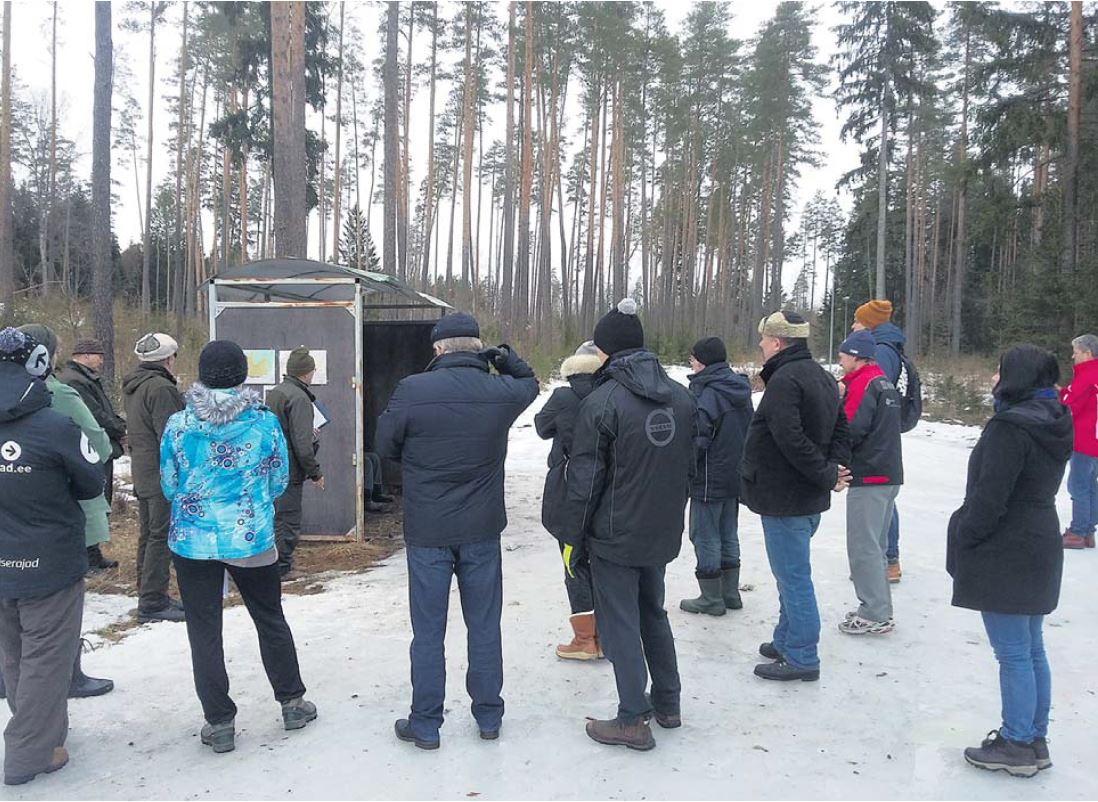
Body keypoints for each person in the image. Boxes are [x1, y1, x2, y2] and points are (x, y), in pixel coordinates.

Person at [376, 313, 538, 750]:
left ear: (437, 350)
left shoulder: (412, 390)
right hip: (482, 529)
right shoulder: (501, 391)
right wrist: (502, 358)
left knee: (428, 631)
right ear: (478, 348)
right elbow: (530, 382)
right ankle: (488, 717)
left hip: (428, 530)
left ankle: (425, 724)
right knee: (484, 625)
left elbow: (385, 445)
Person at [160, 340, 316, 754]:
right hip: (251, 536)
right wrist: (251, 501)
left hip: (192, 541)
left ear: (201, 374)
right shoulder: (263, 423)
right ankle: (293, 703)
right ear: (243, 375)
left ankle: (219, 722)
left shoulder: (178, 425)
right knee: (269, 617)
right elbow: (280, 480)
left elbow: (169, 484)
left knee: (204, 628)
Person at [557, 299, 696, 752]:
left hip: (615, 536)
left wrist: (573, 538)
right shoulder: (681, 396)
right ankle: (669, 703)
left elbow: (585, 480)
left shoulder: (603, 401)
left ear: (604, 351)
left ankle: (633, 718)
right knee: (653, 612)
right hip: (659, 530)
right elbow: (688, 467)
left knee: (620, 623)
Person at [948, 344, 1072, 778]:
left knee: (1015, 652)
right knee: (1031, 647)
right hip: (1039, 540)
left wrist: (967, 534)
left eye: (999, 371)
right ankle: (1032, 737)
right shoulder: (1054, 417)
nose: (994, 378)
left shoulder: (1010, 427)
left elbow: (990, 497)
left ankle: (1018, 741)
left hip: (1008, 546)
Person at [0, 327, 105, 786]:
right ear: (38, 364)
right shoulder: (54, 426)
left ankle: (48, 733)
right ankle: (29, 754)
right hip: (48, 563)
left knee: (15, 654)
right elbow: (91, 481)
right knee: (46, 657)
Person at [742, 311, 851, 682]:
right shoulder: (819, 375)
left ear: (777, 342)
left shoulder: (786, 380)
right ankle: (787, 638)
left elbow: (790, 439)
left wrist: (827, 472)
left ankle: (802, 655)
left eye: (764, 340)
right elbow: (840, 427)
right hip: (803, 497)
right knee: (789, 574)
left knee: (793, 578)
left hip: (787, 498)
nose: (760, 346)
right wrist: (832, 469)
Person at [15, 325, 114, 698]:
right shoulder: (58, 394)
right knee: (60, 606)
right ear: (49, 356)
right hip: (57, 516)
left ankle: (12, 676)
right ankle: (68, 675)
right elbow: (97, 445)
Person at [535, 340, 604, 661]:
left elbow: (541, 426)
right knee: (603, 563)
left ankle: (585, 639)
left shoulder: (564, 396)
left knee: (572, 561)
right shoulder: (611, 392)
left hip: (569, 492)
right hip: (607, 492)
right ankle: (605, 635)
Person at [679, 336, 753, 617]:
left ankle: (711, 597)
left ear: (704, 361)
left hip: (708, 476)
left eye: (693, 357)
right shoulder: (738, 389)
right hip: (733, 474)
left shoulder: (708, 393)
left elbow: (699, 437)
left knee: (705, 534)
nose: (691, 362)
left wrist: (686, 467)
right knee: (727, 532)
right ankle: (730, 593)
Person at [836, 330, 902, 636]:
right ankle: (879, 608)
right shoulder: (883, 380)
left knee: (864, 546)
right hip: (888, 473)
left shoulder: (864, 382)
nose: (840, 361)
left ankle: (874, 612)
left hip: (871, 474)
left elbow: (851, 428)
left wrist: (833, 459)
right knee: (876, 545)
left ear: (855, 356)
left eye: (843, 356)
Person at [122, 333, 186, 623]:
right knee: (160, 536)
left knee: (149, 534)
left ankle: (148, 593)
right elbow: (172, 438)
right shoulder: (161, 388)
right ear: (169, 359)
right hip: (162, 474)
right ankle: (153, 601)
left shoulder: (136, 385)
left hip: (144, 470)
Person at [57, 337, 126, 571]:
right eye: (98, 355)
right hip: (90, 449)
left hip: (95, 447)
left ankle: (93, 554)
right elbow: (95, 415)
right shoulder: (75, 381)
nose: (101, 360)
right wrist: (119, 427)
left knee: (98, 501)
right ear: (85, 355)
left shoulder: (81, 378)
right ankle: (88, 558)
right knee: (92, 503)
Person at [851, 299, 906, 582]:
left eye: (858, 321)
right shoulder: (890, 346)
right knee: (883, 497)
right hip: (883, 433)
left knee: (880, 497)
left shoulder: (881, 352)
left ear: (870, 325)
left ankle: (888, 559)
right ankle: (885, 558)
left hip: (877, 437)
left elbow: (875, 391)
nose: (853, 326)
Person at [266, 347, 325, 577]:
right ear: (306, 372)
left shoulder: (276, 393)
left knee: (274, 517)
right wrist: (315, 472)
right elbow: (302, 443)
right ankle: (282, 567)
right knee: (287, 519)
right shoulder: (299, 398)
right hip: (289, 470)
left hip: (271, 467)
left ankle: (271, 563)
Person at [1058, 333, 1098, 549]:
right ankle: (1088, 530)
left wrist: (1060, 397)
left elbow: (1072, 405)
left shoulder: (1087, 374)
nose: (1073, 356)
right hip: (1095, 439)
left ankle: (1078, 532)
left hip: (1084, 438)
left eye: (1076, 352)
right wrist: (1064, 392)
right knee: (1091, 485)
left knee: (1078, 485)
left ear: (1087, 353)